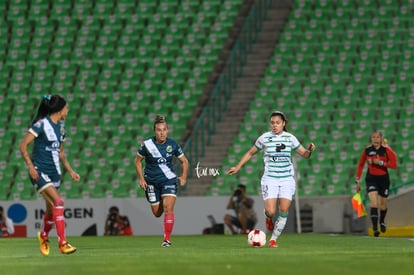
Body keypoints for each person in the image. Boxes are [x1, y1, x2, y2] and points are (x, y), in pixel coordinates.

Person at [227, 111, 315, 248]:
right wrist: (238, 167)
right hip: (270, 179)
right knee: (271, 211)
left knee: (284, 210)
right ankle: (268, 217)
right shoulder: (264, 138)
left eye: (277, 123)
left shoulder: (290, 138)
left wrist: (310, 150)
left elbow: (305, 154)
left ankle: (273, 239)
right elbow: (250, 153)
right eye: (272, 123)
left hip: (286, 179)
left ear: (283, 123)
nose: (274, 125)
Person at [19, 94, 80, 255]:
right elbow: (23, 145)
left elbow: (61, 153)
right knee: (59, 202)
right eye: (66, 108)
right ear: (60, 110)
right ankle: (63, 243)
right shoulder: (41, 125)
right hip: (40, 172)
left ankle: (44, 235)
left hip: (55, 173)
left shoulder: (61, 127)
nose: (67, 111)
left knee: (52, 211)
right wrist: (31, 167)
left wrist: (70, 170)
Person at [134, 115, 189, 247]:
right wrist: (141, 179)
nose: (162, 133)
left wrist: (183, 177)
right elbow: (137, 162)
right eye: (159, 130)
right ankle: (153, 197)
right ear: (155, 131)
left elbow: (184, 161)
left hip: (169, 180)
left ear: (167, 131)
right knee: (157, 213)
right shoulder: (147, 144)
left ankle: (166, 240)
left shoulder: (173, 144)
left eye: (164, 130)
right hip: (151, 181)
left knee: (168, 208)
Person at [355, 130, 397, 237]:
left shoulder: (386, 150)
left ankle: (382, 221)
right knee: (374, 203)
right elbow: (360, 165)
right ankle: (375, 229)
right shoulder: (368, 150)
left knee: (383, 205)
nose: (375, 139)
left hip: (383, 179)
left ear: (381, 139)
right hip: (371, 178)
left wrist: (381, 163)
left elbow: (394, 165)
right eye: (373, 137)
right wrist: (358, 181)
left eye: (377, 137)